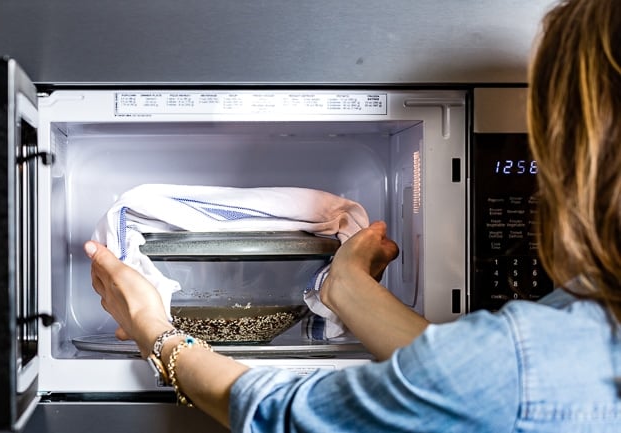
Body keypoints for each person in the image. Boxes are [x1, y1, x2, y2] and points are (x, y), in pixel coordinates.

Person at [84, 0, 621, 430]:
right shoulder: (553, 345)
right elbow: (463, 384)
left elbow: (282, 415)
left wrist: (152, 325)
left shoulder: (529, 357)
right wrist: (346, 287)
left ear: (583, 157)